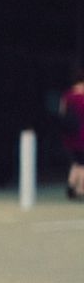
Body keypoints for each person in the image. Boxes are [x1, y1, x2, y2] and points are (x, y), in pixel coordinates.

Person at [62, 67, 84, 201]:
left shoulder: (67, 95)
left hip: (69, 134)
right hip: (82, 134)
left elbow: (62, 113)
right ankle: (81, 189)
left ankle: (71, 186)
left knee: (77, 161)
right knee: (83, 163)